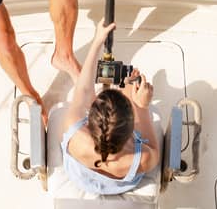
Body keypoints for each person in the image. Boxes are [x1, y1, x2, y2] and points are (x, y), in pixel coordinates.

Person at [60, 21, 160, 195]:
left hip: (81, 177)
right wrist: (142, 106)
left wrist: (97, 40)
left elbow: (83, 89)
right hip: (119, 181)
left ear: (90, 119)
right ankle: (127, 90)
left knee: (118, 90)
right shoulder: (141, 158)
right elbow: (154, 150)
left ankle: (124, 91)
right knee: (130, 87)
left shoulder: (74, 132)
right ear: (131, 128)